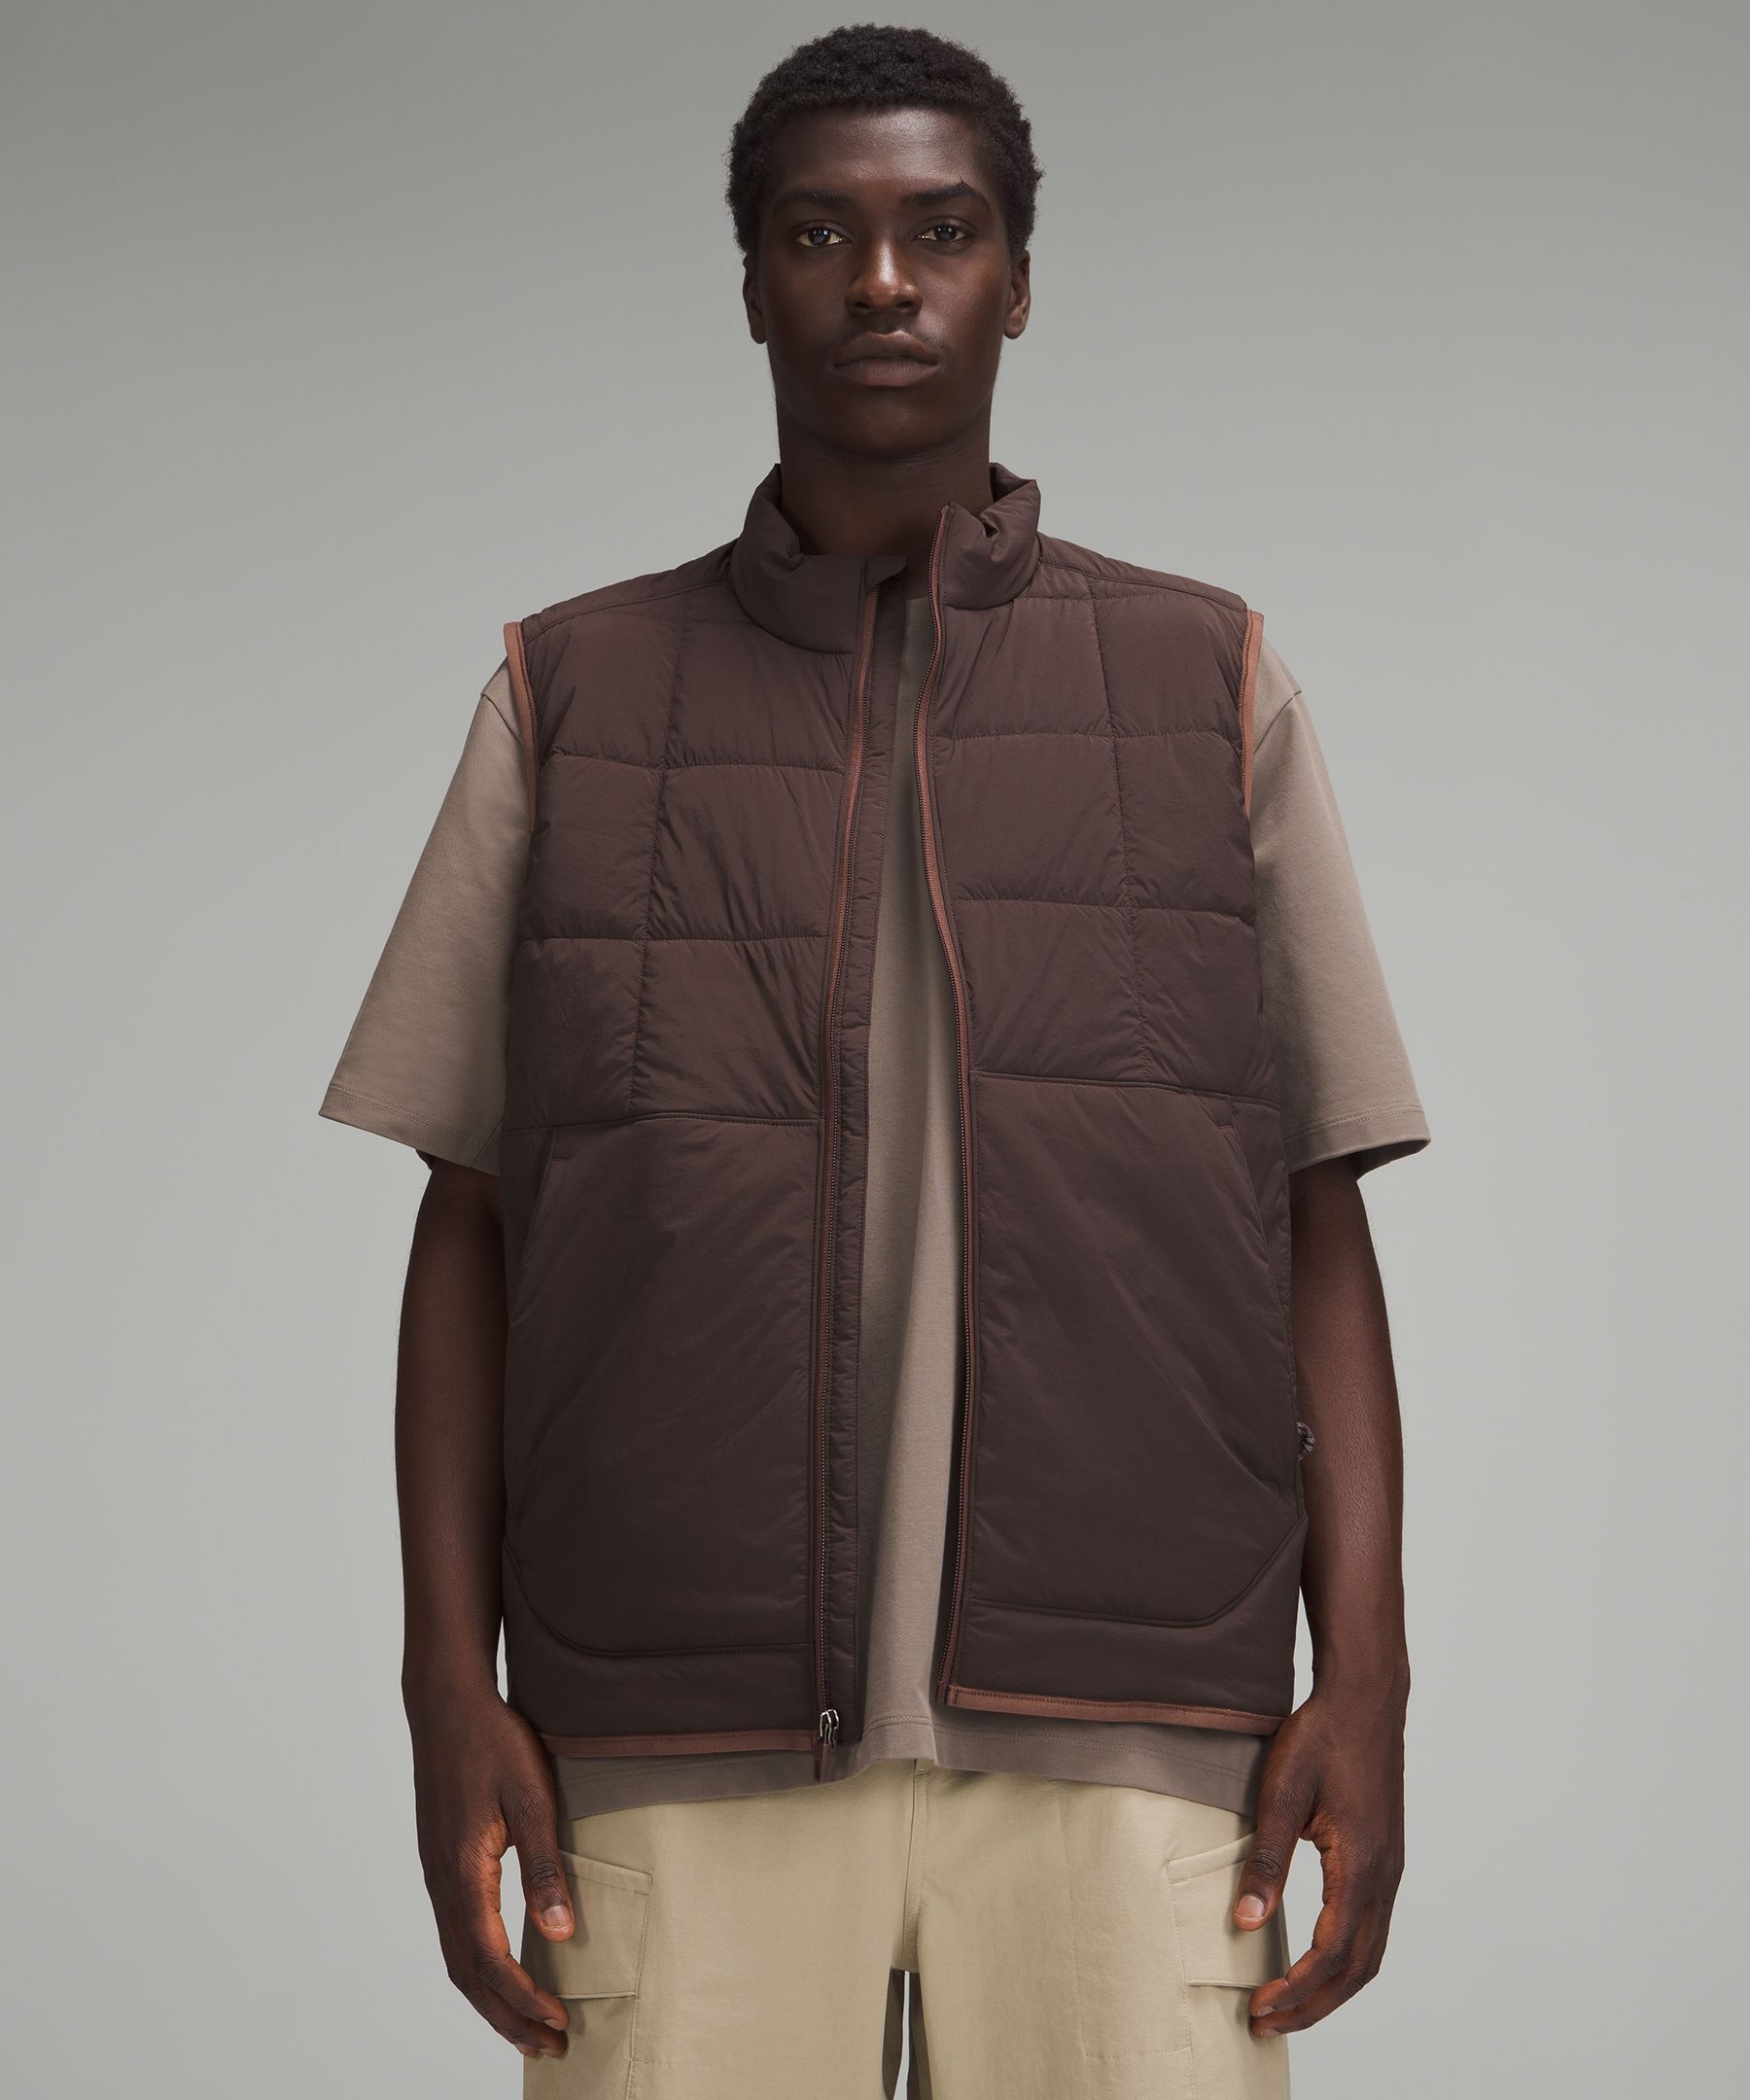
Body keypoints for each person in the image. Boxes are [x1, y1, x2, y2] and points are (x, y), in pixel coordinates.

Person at [319, 24, 1428, 2098]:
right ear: (751, 284)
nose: (885, 283)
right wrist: (442, 1686)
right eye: (820, 235)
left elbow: (1312, 1206)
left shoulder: (1207, 681)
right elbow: (470, 1222)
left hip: (1131, 1725)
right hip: (670, 1730)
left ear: (1021, 279)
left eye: (944, 230)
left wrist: (1366, 1675)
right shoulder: (572, 694)